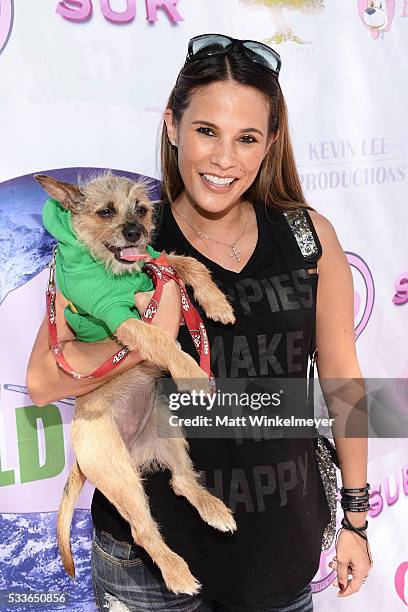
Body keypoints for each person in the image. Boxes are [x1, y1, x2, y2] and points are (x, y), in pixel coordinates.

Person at [27, 34, 373, 611]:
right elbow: (42, 379)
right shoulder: (127, 234)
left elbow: (344, 378)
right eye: (206, 131)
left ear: (269, 145)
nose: (223, 159)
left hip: (280, 546)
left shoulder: (309, 236)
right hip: (151, 563)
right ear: (172, 126)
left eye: (247, 138)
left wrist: (357, 517)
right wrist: (140, 343)